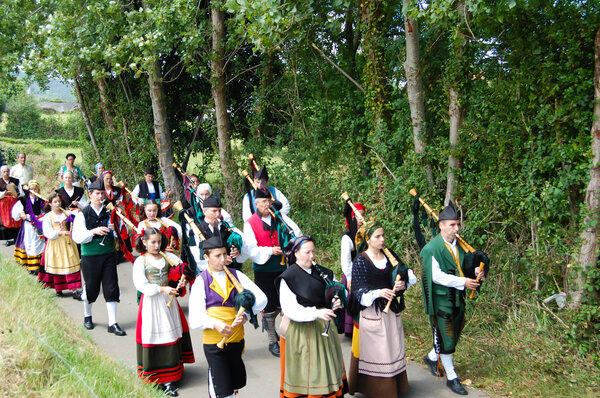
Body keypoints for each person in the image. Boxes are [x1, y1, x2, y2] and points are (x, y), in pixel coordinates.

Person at [188, 233, 267, 398]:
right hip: (214, 344)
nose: (222, 259)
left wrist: (246, 314)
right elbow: (195, 319)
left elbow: (262, 299)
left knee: (232, 386)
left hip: (236, 340)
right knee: (222, 392)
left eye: (224, 254)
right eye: (217, 255)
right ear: (206, 257)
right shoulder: (201, 282)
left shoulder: (237, 276)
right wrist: (215, 323)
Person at [420, 201, 486, 396]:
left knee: (454, 334)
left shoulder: (462, 246)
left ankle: (432, 357)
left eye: (458, 224)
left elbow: (466, 266)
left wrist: (477, 272)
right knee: (446, 338)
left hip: (458, 299)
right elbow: (436, 276)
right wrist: (463, 281)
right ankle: (451, 377)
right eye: (452, 225)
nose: (456, 228)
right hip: (441, 301)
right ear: (441, 225)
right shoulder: (431, 249)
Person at [348, 219, 417, 398]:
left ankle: (395, 386)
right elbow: (358, 291)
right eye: (377, 236)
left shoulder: (389, 254)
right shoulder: (361, 261)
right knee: (378, 351)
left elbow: (407, 273)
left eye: (383, 235)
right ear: (368, 239)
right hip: (373, 312)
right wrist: (379, 292)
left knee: (393, 347)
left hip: (391, 312)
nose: (382, 239)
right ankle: (377, 390)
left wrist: (403, 284)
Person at [278, 235, 348, 397]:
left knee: (328, 369)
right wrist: (316, 313)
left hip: (325, 329)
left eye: (313, 252)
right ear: (295, 253)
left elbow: (335, 293)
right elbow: (290, 309)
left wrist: (336, 303)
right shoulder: (288, 278)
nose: (312, 256)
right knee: (309, 373)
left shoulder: (324, 272)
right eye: (307, 252)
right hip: (302, 332)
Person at [133, 228, 196, 396]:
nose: (156, 245)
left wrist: (180, 281)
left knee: (169, 335)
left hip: (168, 303)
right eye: (153, 242)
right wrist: (162, 289)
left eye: (159, 242)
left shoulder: (168, 257)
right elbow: (140, 285)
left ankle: (170, 379)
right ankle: (154, 376)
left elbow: (182, 269)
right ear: (144, 242)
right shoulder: (141, 261)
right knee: (153, 335)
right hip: (152, 302)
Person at [243, 187, 301, 357]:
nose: (267, 205)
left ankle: (287, 337)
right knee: (269, 307)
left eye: (269, 201)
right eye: (263, 202)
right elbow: (250, 249)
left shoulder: (280, 217)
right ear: (256, 203)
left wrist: (290, 246)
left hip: (284, 269)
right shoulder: (250, 223)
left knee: (285, 304)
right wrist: (270, 250)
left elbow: (296, 233)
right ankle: (272, 341)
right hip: (264, 270)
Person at [72, 180, 126, 336]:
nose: (100, 196)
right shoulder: (82, 214)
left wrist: (114, 230)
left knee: (111, 287)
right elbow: (77, 237)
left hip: (108, 254)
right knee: (91, 287)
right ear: (90, 194)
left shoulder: (110, 212)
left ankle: (113, 323)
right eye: (97, 193)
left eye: (102, 193)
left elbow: (120, 234)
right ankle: (87, 316)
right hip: (90, 255)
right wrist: (93, 231)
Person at [41, 192, 82, 297]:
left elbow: (78, 216)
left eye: (59, 201)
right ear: (50, 204)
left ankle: (74, 289)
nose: (57, 204)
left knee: (71, 263)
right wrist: (60, 233)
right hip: (56, 243)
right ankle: (59, 288)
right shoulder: (48, 216)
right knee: (58, 264)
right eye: (55, 202)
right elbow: (47, 232)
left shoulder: (66, 213)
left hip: (68, 243)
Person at [195, 195, 247, 272]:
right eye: (214, 211)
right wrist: (220, 261)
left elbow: (244, 243)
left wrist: (236, 250)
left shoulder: (227, 226)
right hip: (208, 272)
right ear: (204, 211)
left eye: (219, 211)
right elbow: (197, 256)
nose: (218, 214)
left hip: (230, 269)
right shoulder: (197, 230)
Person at [339, 201, 365, 337]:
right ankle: (351, 329)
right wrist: (349, 278)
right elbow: (346, 260)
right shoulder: (347, 237)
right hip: (351, 273)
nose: (361, 219)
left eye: (363, 215)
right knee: (351, 299)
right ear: (352, 217)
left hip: (364, 272)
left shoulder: (366, 233)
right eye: (358, 216)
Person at [12, 181, 45, 274]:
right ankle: (31, 266)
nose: (34, 190)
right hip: (28, 226)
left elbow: (44, 211)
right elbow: (16, 211)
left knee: (40, 244)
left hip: (38, 226)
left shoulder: (41, 200)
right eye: (32, 189)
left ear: (38, 189)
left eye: (35, 188)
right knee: (29, 243)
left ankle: (40, 266)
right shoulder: (24, 199)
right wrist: (21, 213)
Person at [0, 165, 21, 246]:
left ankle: (17, 238)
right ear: (1, 173)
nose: (6, 173)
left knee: (16, 220)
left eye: (7, 171)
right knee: (7, 222)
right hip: (4, 205)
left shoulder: (15, 181)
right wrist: (4, 193)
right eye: (4, 172)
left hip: (14, 204)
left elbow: (20, 192)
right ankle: (8, 239)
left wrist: (14, 191)